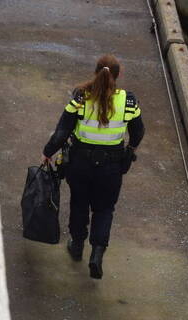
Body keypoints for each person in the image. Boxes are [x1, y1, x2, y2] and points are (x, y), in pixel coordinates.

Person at [42, 54, 145, 279]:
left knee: (79, 202)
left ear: (95, 72)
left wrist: (48, 152)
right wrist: (130, 150)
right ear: (118, 75)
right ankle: (97, 254)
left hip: (80, 163)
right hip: (111, 166)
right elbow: (138, 132)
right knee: (104, 209)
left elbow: (62, 132)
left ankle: (77, 246)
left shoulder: (81, 97)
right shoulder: (128, 101)